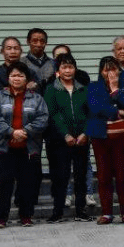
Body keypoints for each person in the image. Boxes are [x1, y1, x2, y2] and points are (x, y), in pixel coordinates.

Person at [0, 62, 48, 228]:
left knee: (27, 183)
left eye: (20, 75)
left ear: (26, 79)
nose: (17, 78)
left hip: (29, 147)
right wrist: (11, 132)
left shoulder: (36, 98)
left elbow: (43, 119)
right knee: (3, 184)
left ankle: (26, 216)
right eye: (13, 75)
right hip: (4, 147)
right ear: (8, 78)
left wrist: (24, 131)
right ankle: (0, 218)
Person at [43, 53, 91, 222]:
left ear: (75, 69)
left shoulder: (83, 88)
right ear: (58, 70)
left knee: (80, 176)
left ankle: (81, 211)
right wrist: (66, 134)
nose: (68, 70)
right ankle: (57, 212)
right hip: (60, 141)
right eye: (64, 67)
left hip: (82, 140)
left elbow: (89, 113)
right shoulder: (51, 89)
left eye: (71, 67)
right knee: (60, 177)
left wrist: (85, 133)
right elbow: (53, 114)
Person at [87, 56, 124, 224]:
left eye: (114, 69)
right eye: (107, 69)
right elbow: (96, 107)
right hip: (101, 137)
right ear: (101, 71)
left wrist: (115, 90)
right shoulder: (93, 87)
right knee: (104, 175)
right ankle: (106, 212)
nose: (110, 73)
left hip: (123, 137)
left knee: (123, 175)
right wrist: (118, 112)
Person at [23, 28, 55, 94]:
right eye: (35, 41)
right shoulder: (21, 63)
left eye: (42, 41)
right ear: (28, 42)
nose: (39, 44)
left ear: (46, 43)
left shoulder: (53, 63)